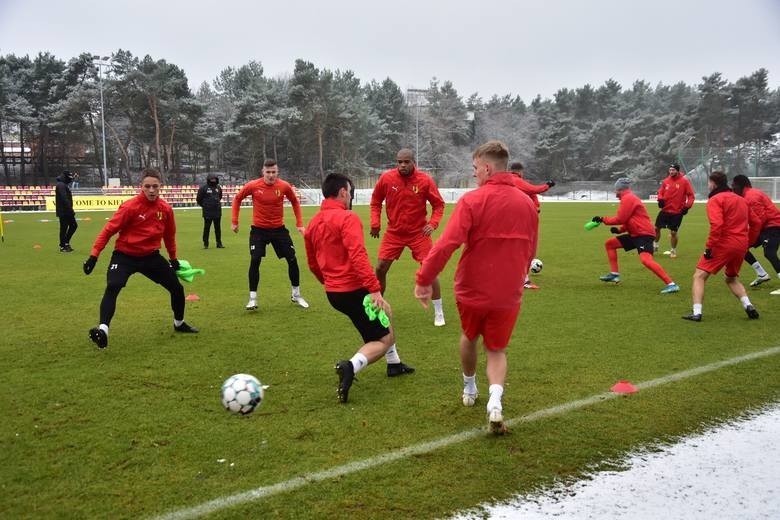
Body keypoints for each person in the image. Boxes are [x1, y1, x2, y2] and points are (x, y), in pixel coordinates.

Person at [414, 141, 538, 434]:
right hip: (508, 291)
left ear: (486, 167)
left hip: (472, 289)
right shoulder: (528, 204)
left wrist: (423, 280)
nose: (474, 175)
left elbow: (446, 244)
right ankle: (495, 400)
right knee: (497, 348)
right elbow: (530, 252)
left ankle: (470, 388)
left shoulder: (472, 201)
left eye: (474, 169)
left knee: (470, 336)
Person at [305, 173, 414, 403]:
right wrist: (374, 290)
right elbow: (358, 256)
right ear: (343, 192)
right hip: (354, 290)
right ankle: (351, 366)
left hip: (334, 293)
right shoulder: (347, 218)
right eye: (350, 192)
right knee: (381, 341)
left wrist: (329, 283)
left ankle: (394, 365)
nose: (351, 197)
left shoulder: (313, 222)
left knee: (385, 314)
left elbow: (312, 263)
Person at [82, 168, 198, 349]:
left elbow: (169, 236)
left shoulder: (165, 209)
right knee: (113, 286)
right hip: (124, 256)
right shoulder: (129, 207)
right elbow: (108, 231)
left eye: (155, 186)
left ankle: (179, 323)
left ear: (161, 187)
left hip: (151, 257)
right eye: (147, 186)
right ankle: (103, 330)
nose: (151, 190)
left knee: (176, 288)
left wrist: (173, 259)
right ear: (141, 187)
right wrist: (94, 256)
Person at [370, 149, 446, 326]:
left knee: (430, 269)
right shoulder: (387, 179)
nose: (402, 165)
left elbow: (439, 205)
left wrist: (433, 224)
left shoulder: (425, 180)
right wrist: (375, 223)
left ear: (413, 162)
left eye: (406, 162)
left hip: (418, 233)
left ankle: (439, 312)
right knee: (380, 268)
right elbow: (375, 201)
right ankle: (377, 307)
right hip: (394, 232)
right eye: (399, 162)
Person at [231, 158, 309, 310]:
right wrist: (234, 221)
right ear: (263, 172)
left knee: (292, 259)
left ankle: (296, 294)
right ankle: (252, 299)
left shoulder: (284, 186)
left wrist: (299, 224)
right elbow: (237, 198)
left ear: (277, 172)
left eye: (274, 172)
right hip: (259, 230)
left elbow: (295, 202)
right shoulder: (253, 185)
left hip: (279, 229)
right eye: (268, 172)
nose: (271, 175)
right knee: (255, 260)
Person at [682, 171, 759, 321]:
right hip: (741, 244)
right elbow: (756, 223)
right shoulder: (741, 200)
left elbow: (717, 225)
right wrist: (748, 242)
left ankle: (697, 312)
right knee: (731, 278)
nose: (708, 185)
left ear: (713, 183)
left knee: (699, 276)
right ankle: (748, 305)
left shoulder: (716, 199)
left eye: (709, 182)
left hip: (724, 243)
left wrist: (709, 247)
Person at [592, 178, 680, 294]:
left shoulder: (628, 198)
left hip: (643, 234)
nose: (615, 193)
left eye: (616, 190)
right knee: (610, 244)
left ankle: (671, 284)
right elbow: (630, 219)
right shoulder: (628, 198)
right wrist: (619, 230)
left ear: (620, 189)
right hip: (636, 234)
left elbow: (621, 218)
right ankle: (614, 274)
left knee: (645, 260)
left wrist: (603, 219)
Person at [509, 161, 555, 289]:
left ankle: (519, 277)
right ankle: (523, 279)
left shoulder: (512, 181)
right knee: (529, 247)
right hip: (527, 217)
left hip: (522, 216)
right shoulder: (516, 180)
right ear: (519, 171)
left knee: (523, 247)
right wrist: (548, 185)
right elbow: (534, 189)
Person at [731, 174, 780, 294]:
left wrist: (749, 235)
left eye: (733, 186)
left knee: (769, 253)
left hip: (773, 227)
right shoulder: (749, 194)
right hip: (766, 227)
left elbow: (759, 220)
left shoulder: (751, 197)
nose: (732, 188)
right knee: (741, 247)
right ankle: (762, 274)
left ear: (739, 185)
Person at [654, 163, 695, 258]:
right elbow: (660, 192)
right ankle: (655, 244)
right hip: (665, 210)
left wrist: (687, 206)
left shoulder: (684, 182)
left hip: (677, 212)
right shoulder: (665, 181)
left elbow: (691, 196)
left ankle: (673, 250)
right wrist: (660, 199)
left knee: (673, 232)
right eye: (670, 170)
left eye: (673, 170)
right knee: (656, 228)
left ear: (677, 170)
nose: (671, 172)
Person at [196, 173, 224, 249]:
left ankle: (219, 243)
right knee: (207, 228)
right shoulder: (203, 188)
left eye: (214, 179)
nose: (213, 180)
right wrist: (205, 206)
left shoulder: (218, 188)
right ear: (208, 180)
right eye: (212, 179)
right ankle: (206, 244)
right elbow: (198, 199)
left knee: (217, 228)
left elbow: (220, 197)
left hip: (217, 211)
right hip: (207, 211)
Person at [55, 170, 78, 252]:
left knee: (73, 225)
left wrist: (74, 178)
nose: (70, 179)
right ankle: (63, 245)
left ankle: (65, 243)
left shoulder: (62, 184)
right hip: (64, 211)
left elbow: (69, 180)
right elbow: (64, 198)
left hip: (65, 210)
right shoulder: (61, 185)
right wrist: (70, 209)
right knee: (65, 228)